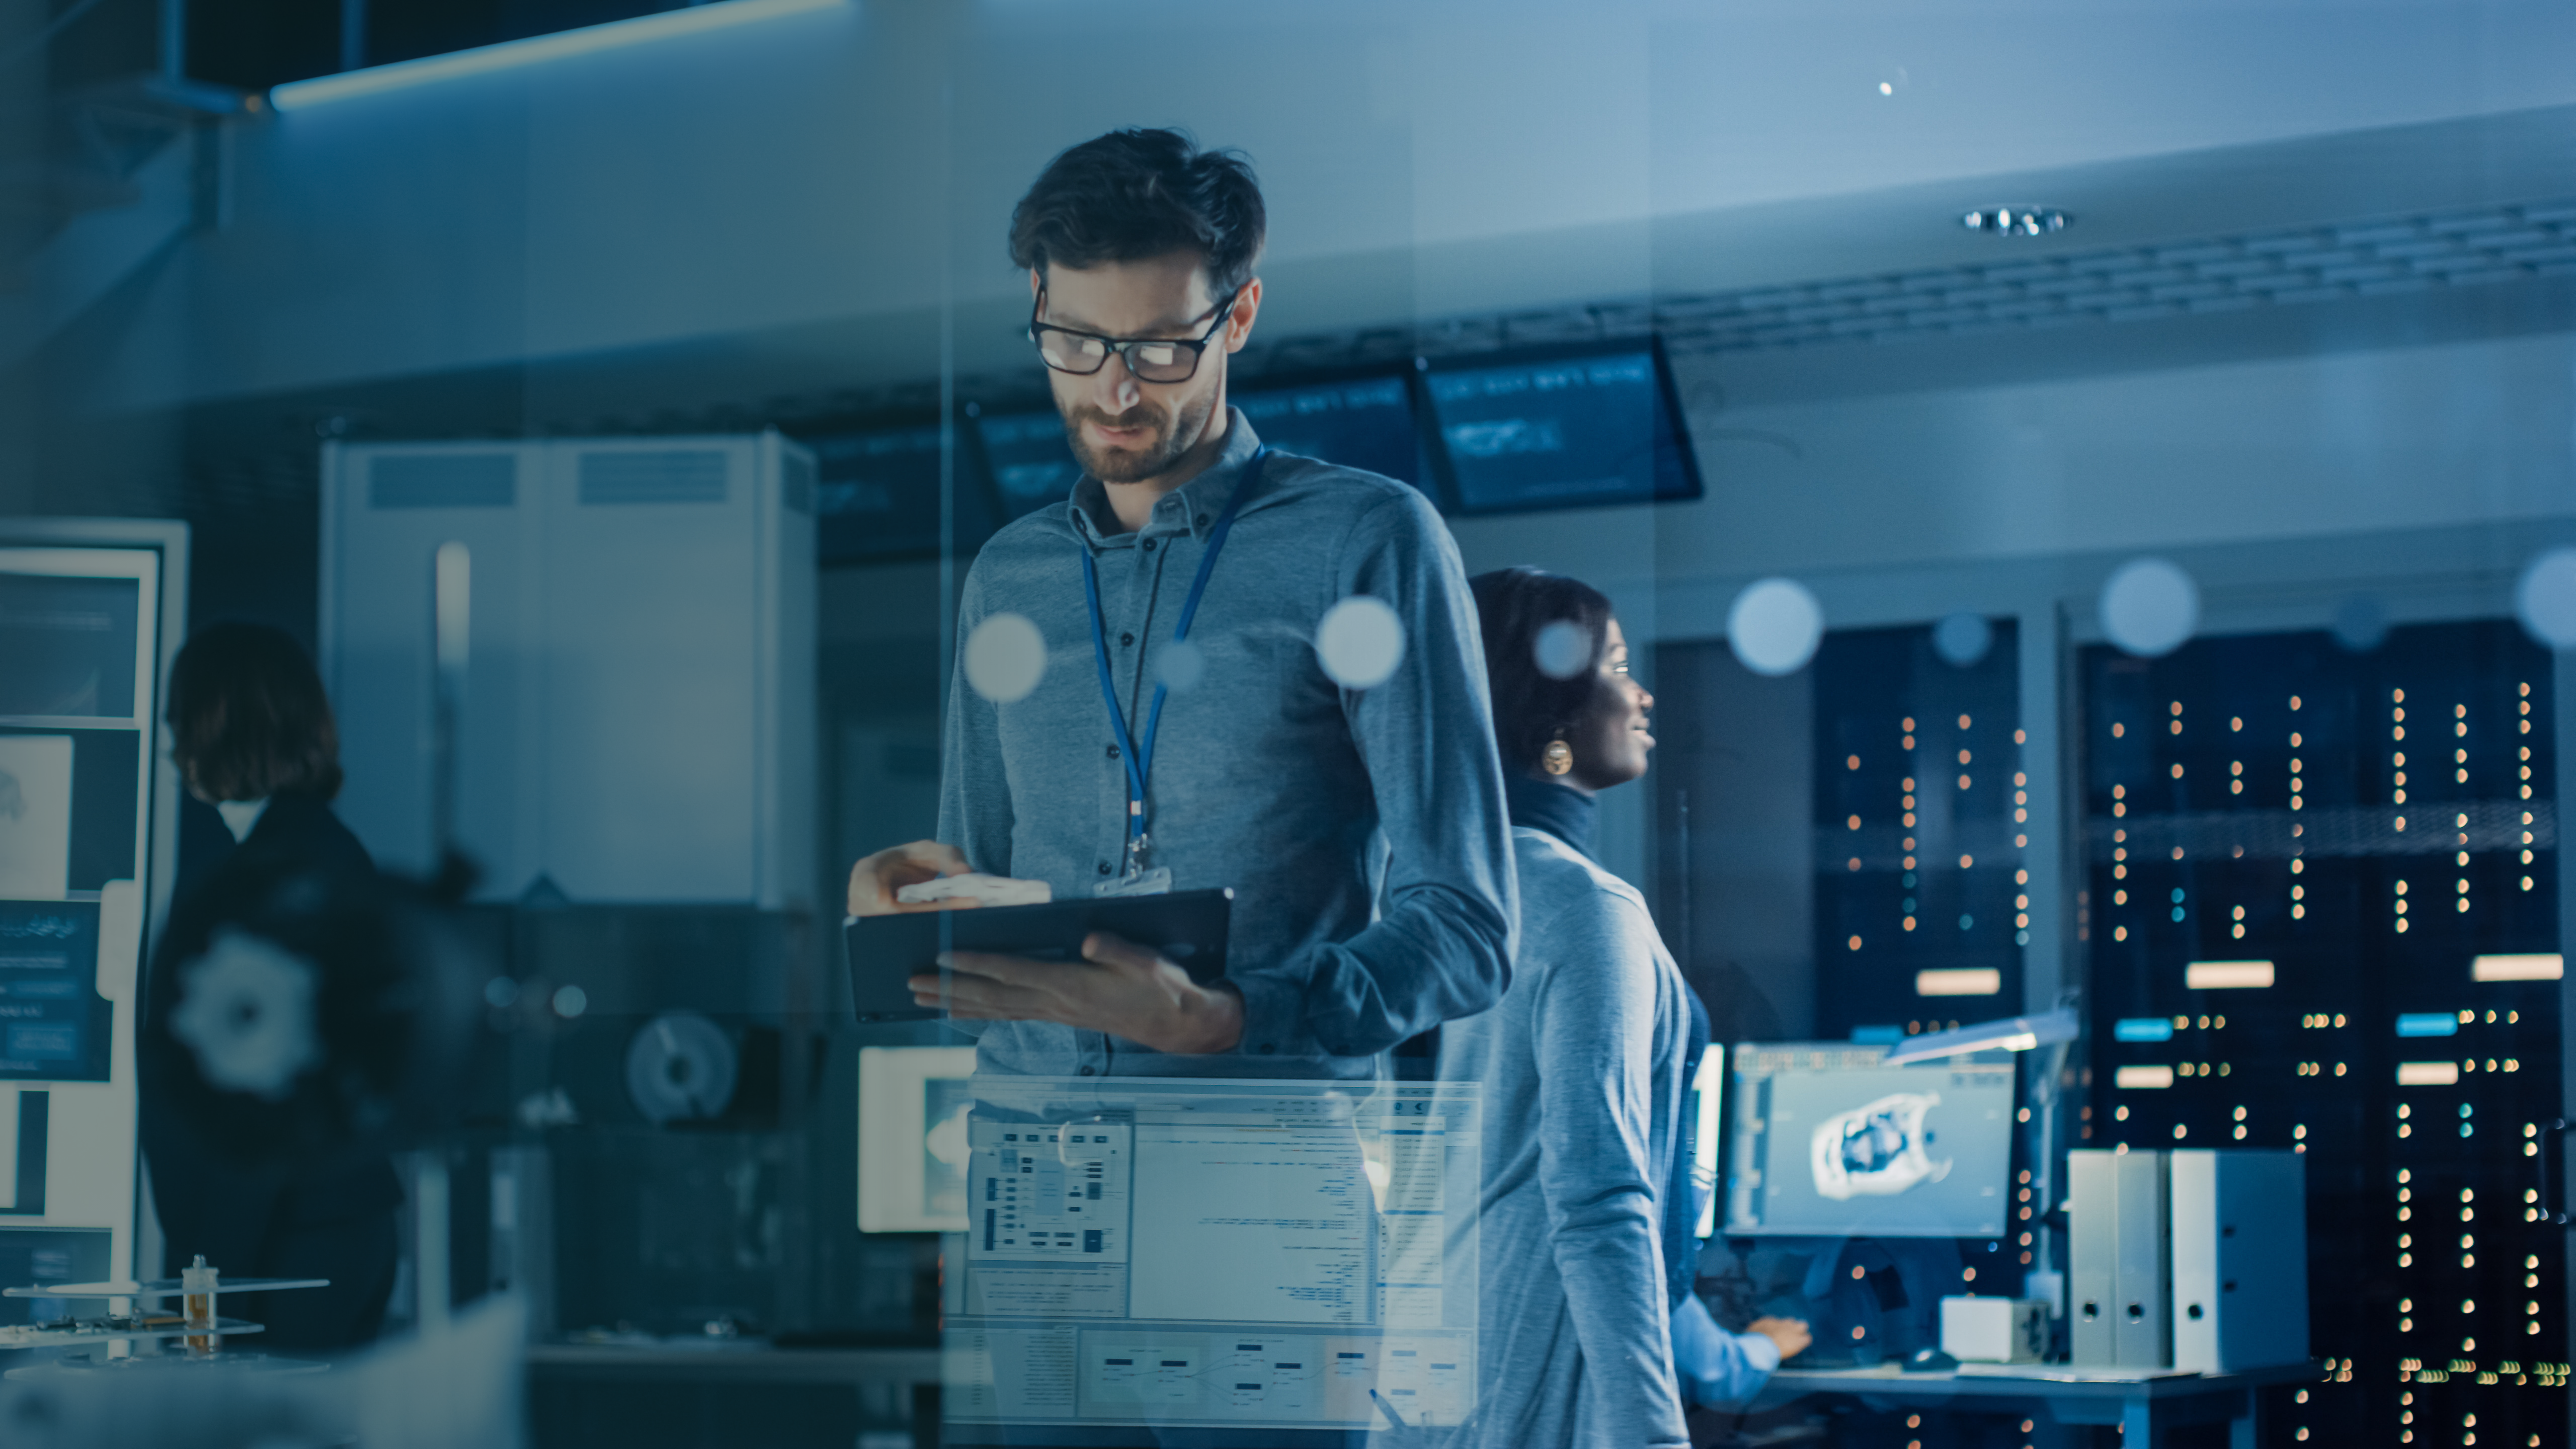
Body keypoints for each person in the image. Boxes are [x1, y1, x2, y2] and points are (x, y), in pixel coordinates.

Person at [846, 129, 1514, 1078]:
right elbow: (980, 959)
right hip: (1031, 1166)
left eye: (1160, 348)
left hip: (1257, 1173)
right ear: (1039, 303)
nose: (1113, 389)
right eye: (1076, 341)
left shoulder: (1366, 541)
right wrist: (910, 913)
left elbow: (1468, 928)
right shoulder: (1007, 577)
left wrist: (1230, 1016)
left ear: (1237, 316)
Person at [1441, 568, 1806, 1448]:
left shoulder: (1448, 895)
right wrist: (1654, 1436)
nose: (1642, 696)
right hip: (1546, 1380)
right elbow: (1602, 1201)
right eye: (1613, 667)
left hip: (1444, 1364)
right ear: (1552, 707)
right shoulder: (1582, 907)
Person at [139, 622, 400, 1350]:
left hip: (283, 1246)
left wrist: (205, 1297)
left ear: (225, 726)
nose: (168, 743)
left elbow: (259, 1099)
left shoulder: (277, 877)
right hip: (314, 1236)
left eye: (180, 719)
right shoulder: (310, 854)